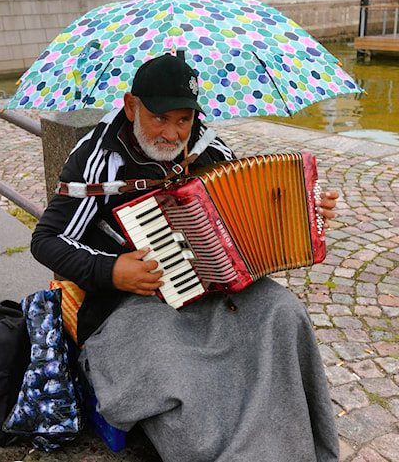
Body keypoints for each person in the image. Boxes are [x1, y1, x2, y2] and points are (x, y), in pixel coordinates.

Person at [31, 54, 340, 462]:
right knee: (173, 359)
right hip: (130, 299)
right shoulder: (98, 159)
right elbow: (47, 239)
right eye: (159, 118)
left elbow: (249, 214)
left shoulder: (208, 148)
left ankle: (297, 442)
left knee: (282, 310)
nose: (172, 133)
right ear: (130, 106)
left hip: (211, 286)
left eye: (183, 120)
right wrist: (112, 270)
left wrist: (306, 208)